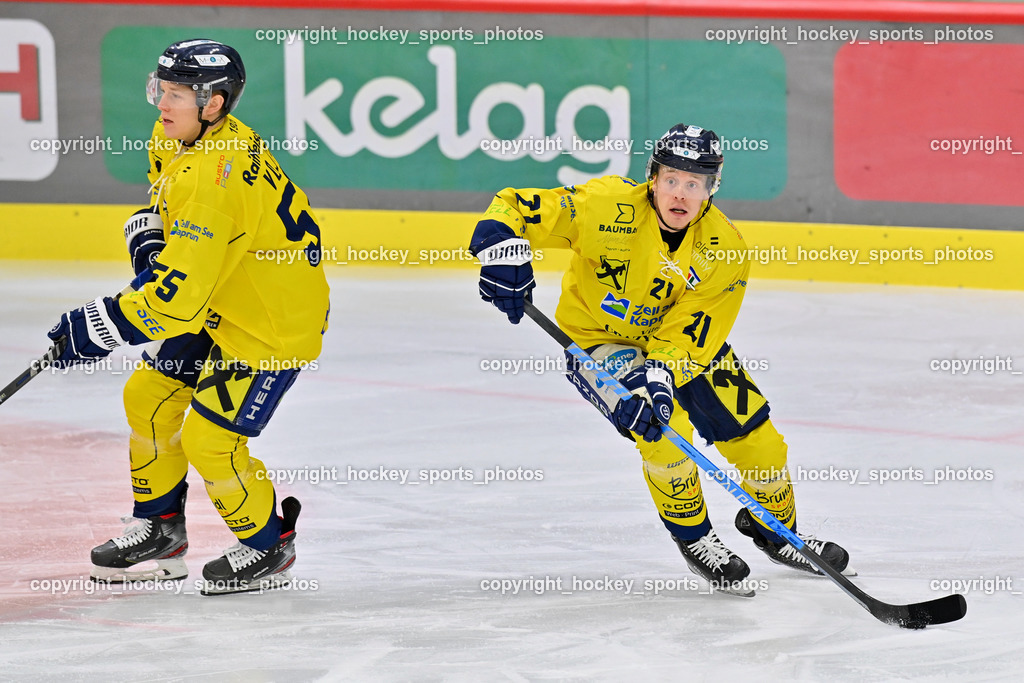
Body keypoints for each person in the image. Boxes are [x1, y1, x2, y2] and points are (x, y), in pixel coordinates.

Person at [469, 123, 851, 595]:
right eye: (671, 179)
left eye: (694, 184)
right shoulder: (605, 206)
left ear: (712, 189)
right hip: (599, 341)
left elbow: (689, 334)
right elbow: (518, 207)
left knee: (761, 443)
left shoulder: (723, 249)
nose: (680, 193)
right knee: (664, 437)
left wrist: (661, 373)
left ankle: (779, 532)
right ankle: (696, 540)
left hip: (687, 350)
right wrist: (501, 249)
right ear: (652, 178)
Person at [46, 39, 330, 594]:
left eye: (175, 94)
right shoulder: (178, 138)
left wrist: (98, 325)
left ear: (215, 104)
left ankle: (268, 545)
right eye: (161, 89)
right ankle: (161, 528)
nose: (161, 104)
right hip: (218, 299)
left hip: (270, 326)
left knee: (208, 439)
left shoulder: (215, 177)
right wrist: (153, 244)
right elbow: (169, 215)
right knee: (147, 398)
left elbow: (174, 300)